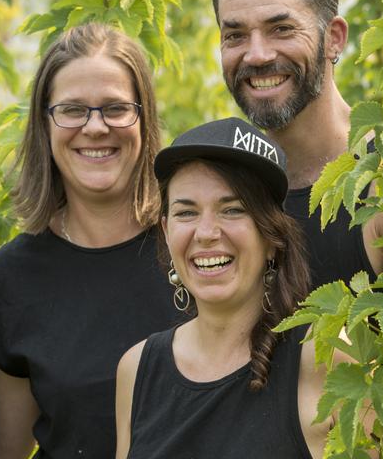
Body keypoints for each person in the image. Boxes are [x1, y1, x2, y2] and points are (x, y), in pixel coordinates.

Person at [0, 23, 179, 459]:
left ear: (144, 118)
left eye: (116, 108)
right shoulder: (10, 282)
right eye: (72, 110)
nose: (96, 127)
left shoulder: (194, 247)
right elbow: (7, 449)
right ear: (44, 124)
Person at [115, 117, 333, 459]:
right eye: (186, 213)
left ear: (272, 237)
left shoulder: (326, 359)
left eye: (232, 210)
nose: (206, 232)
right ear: (166, 231)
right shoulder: (137, 369)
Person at [199, 0, 383, 288]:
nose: (257, 55)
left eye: (281, 29)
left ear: (333, 38)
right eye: (235, 35)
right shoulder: (221, 184)